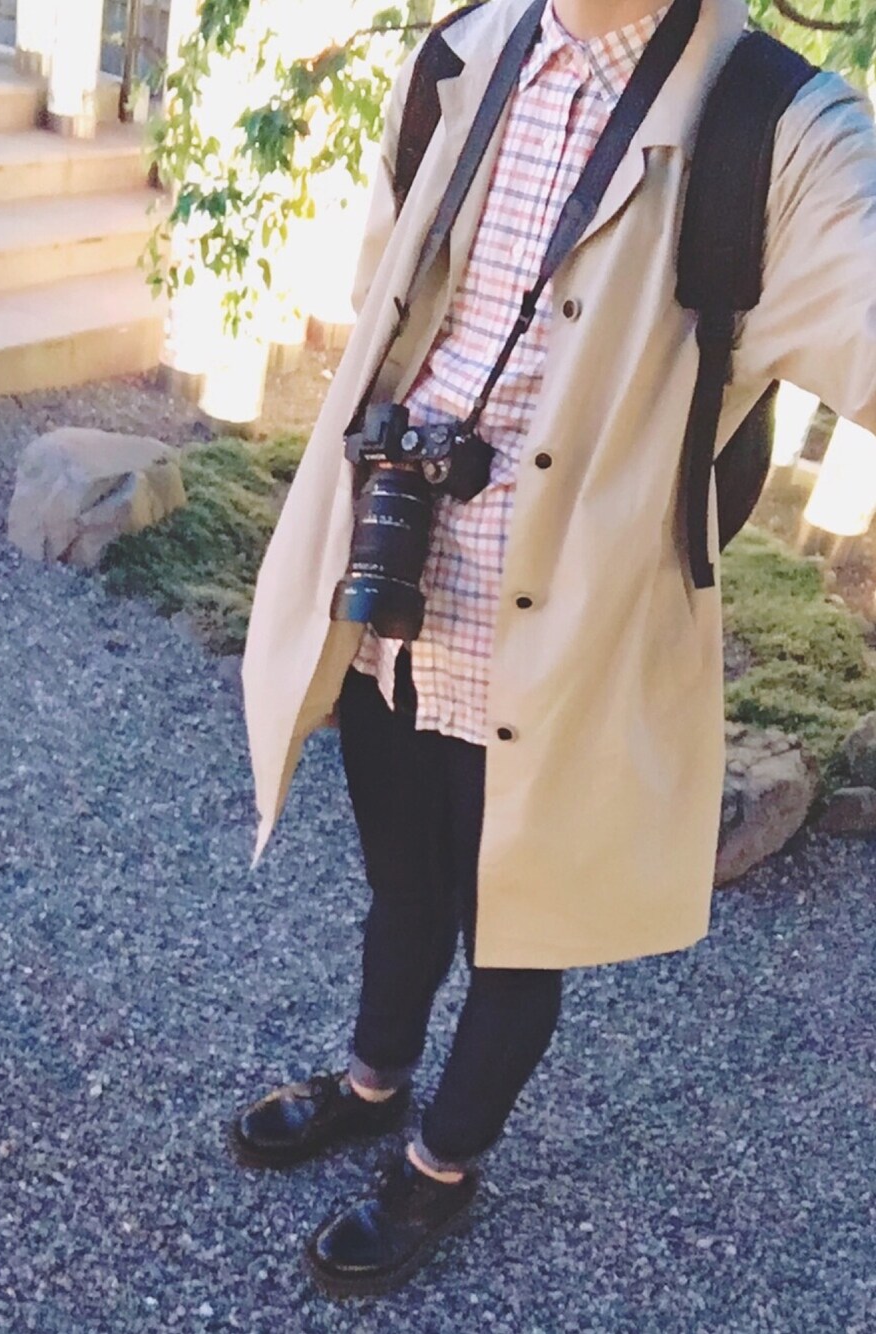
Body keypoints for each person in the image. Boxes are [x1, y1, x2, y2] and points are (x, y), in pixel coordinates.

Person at [234, 0, 876, 1299]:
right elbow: (389, 295)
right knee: (402, 884)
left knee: (520, 929)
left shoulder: (781, 127)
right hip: (390, 585)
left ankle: (441, 1164)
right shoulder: (463, 47)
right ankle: (372, 1082)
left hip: (571, 638)